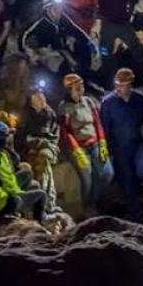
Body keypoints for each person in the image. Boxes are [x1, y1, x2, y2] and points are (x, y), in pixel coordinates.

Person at [100, 68, 143, 221]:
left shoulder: (139, 100)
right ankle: (134, 212)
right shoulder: (108, 103)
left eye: (123, 85)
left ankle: (140, 202)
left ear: (130, 84)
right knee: (128, 176)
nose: (119, 88)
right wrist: (109, 150)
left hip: (137, 143)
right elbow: (105, 128)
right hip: (119, 147)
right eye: (117, 84)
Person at [0, 119, 49, 221]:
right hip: (1, 204)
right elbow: (9, 183)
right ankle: (41, 222)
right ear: (0, 139)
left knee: (27, 174)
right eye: (5, 136)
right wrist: (22, 194)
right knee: (41, 195)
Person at [58, 73, 113, 213]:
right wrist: (77, 150)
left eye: (81, 86)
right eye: (76, 88)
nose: (80, 90)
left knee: (106, 173)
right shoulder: (65, 107)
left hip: (94, 142)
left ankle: (95, 202)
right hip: (79, 146)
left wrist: (102, 142)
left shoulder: (88, 101)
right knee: (86, 177)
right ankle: (87, 208)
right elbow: (65, 131)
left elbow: (97, 123)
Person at [20, 0, 95, 76]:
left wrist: (91, 45)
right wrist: (30, 53)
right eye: (55, 8)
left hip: (60, 50)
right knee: (59, 64)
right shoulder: (39, 21)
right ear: (48, 9)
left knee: (84, 49)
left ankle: (85, 76)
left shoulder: (63, 19)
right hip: (45, 52)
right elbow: (24, 35)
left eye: (60, 8)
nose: (59, 11)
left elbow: (77, 31)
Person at [21, 81, 62, 214]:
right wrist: (36, 143)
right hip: (30, 148)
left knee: (43, 160)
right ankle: (46, 203)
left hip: (47, 147)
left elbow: (54, 135)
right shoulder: (26, 116)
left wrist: (47, 144)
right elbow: (23, 137)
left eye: (42, 96)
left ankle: (46, 203)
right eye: (37, 97)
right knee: (39, 166)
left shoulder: (50, 113)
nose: (41, 98)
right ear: (32, 101)